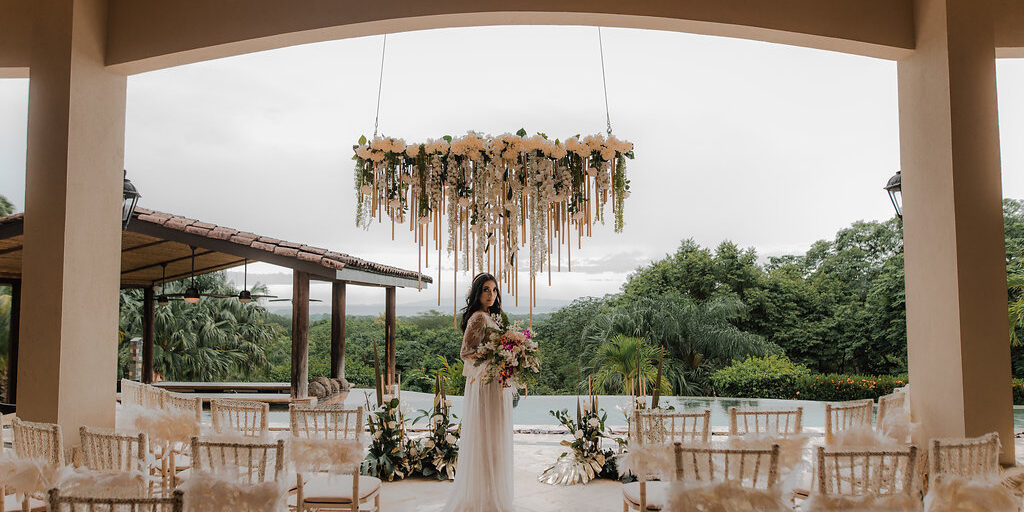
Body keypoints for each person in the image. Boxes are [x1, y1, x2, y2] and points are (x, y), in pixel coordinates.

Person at [443, 272, 515, 512]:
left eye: (494, 290)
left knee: (494, 437)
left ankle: (491, 494)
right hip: (484, 385)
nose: (491, 294)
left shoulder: (492, 317)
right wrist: (496, 357)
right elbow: (466, 352)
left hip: (495, 382)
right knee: (485, 436)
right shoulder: (478, 318)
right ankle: (482, 498)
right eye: (486, 289)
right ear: (477, 293)